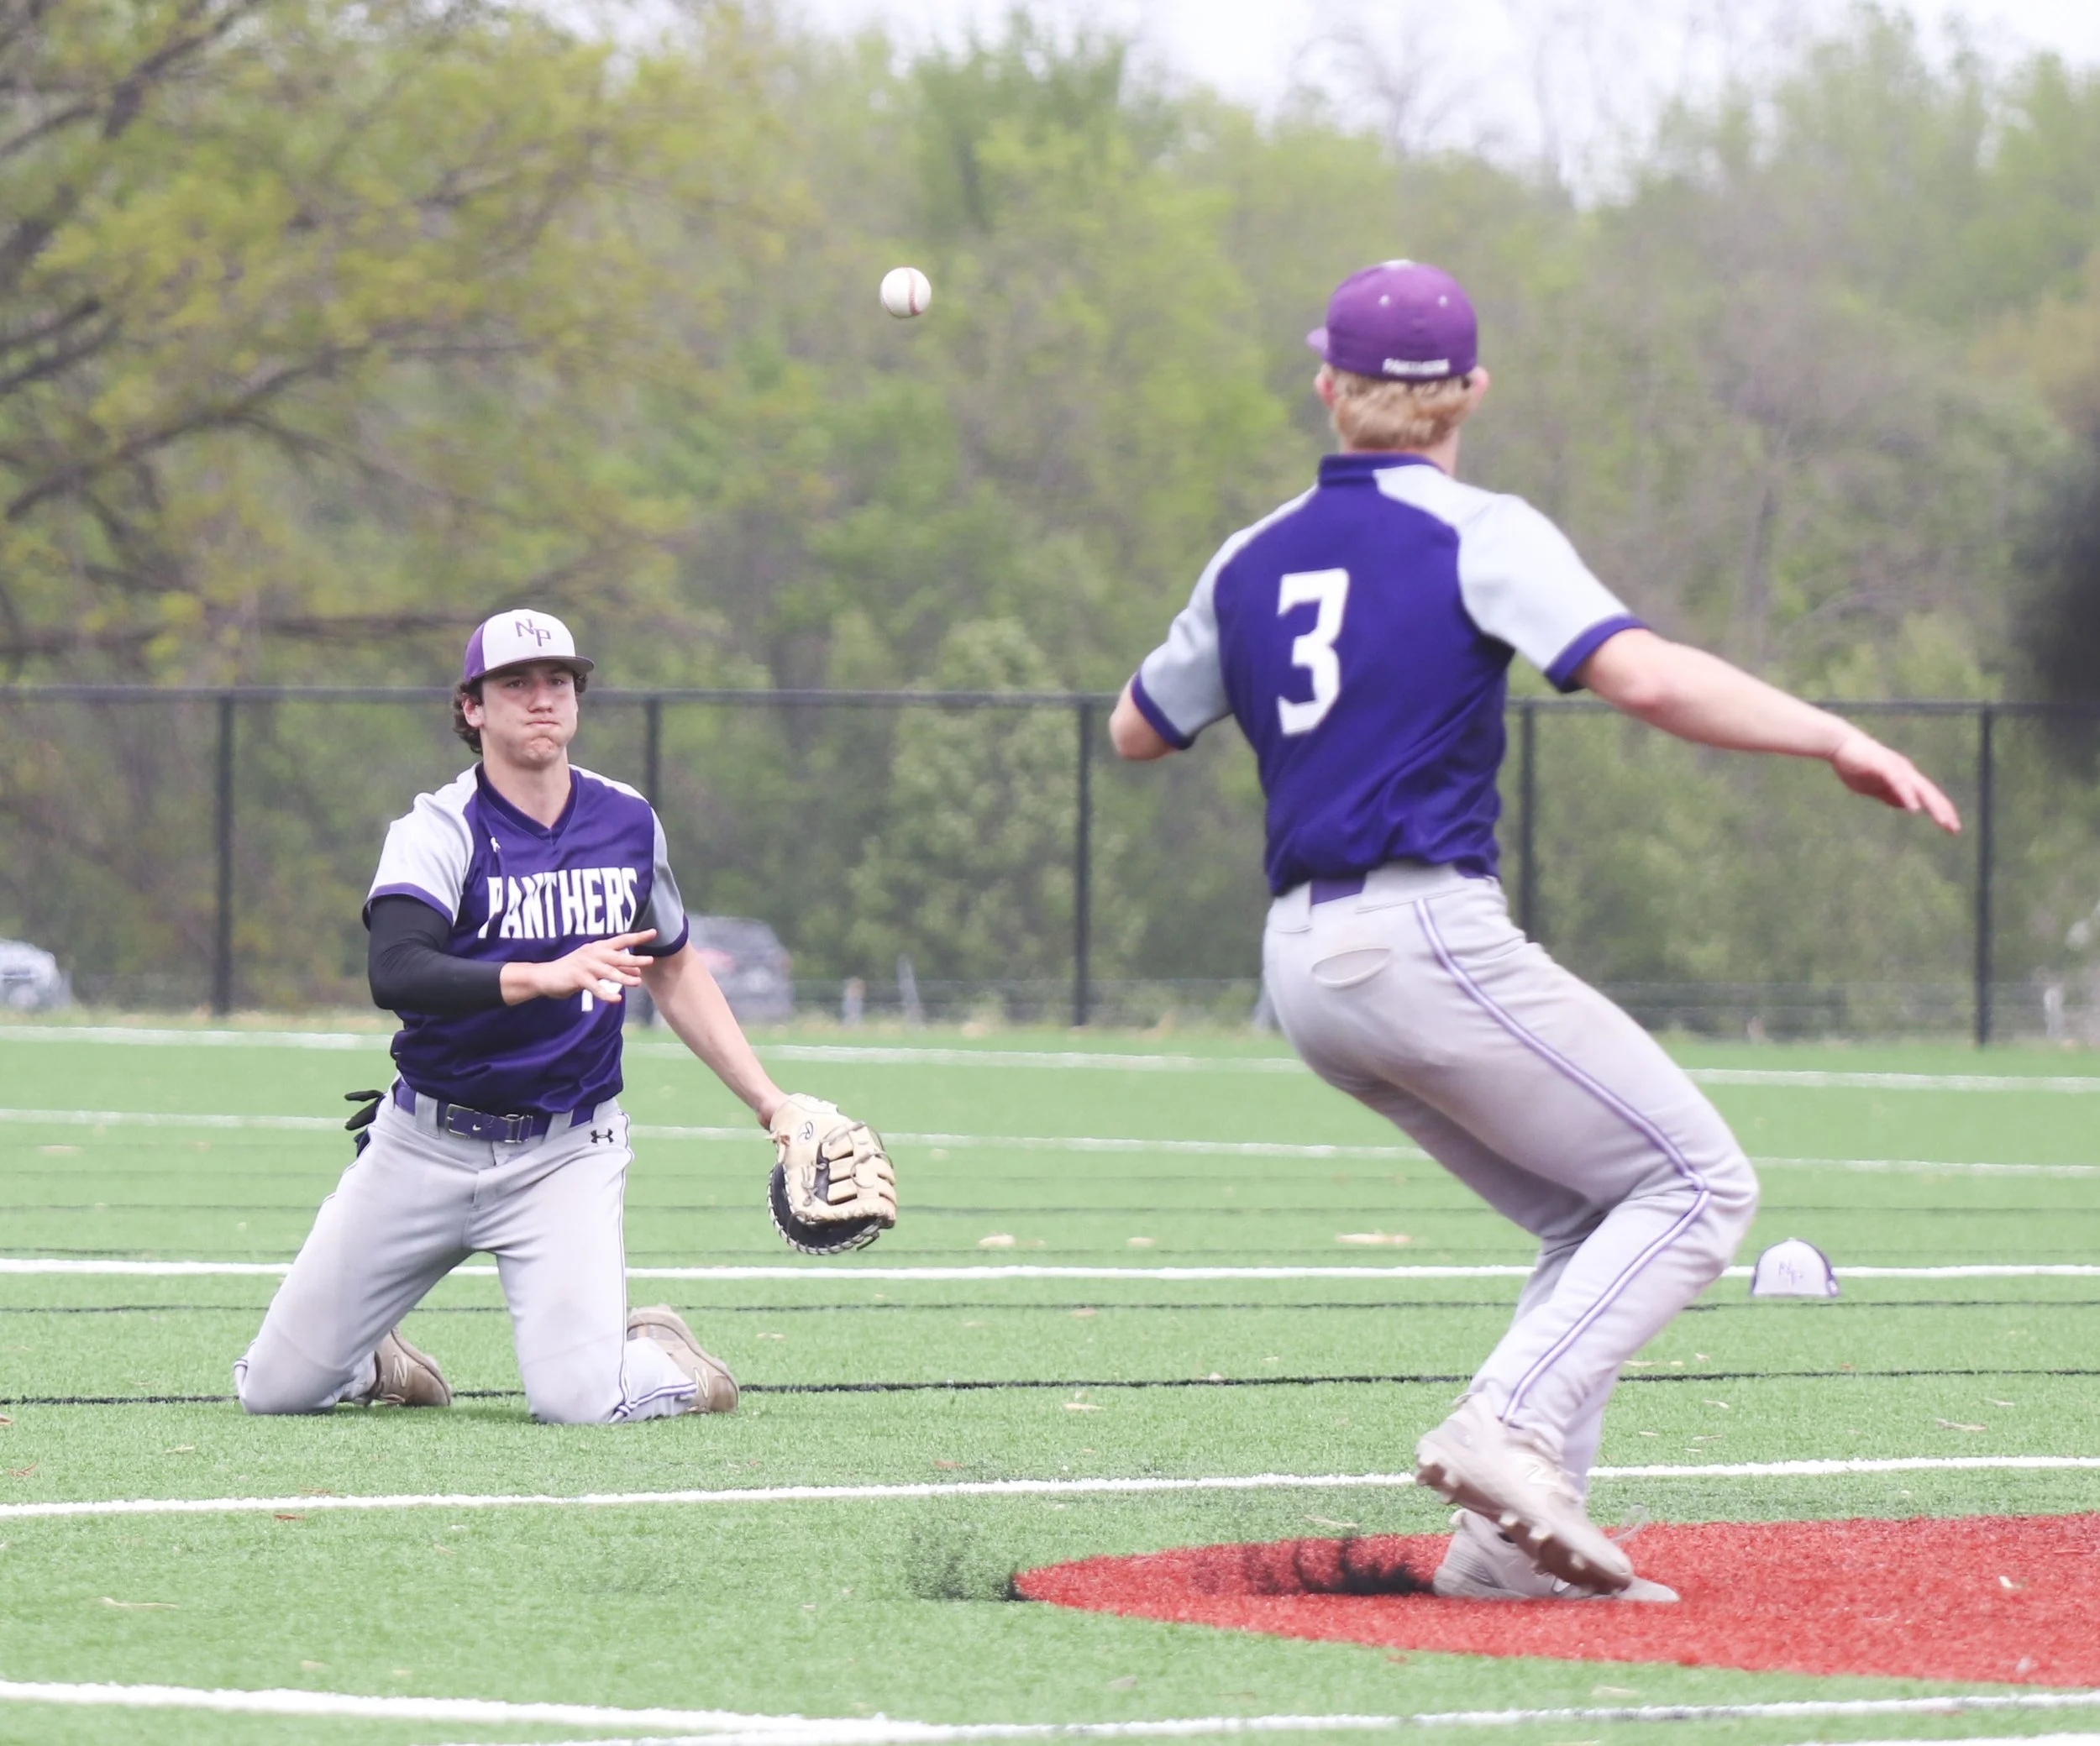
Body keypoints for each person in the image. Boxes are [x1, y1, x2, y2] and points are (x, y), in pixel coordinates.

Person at [1110, 260, 1960, 1598]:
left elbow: (1138, 728)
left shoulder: (1250, 556)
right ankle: (1505, 1423)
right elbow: (1644, 676)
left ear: (1328, 386)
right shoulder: (1479, 529)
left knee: (1594, 1211)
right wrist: (1832, 732)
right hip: (1422, 931)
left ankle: (1505, 1552)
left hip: (1303, 969)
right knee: (1699, 1181)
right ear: (1472, 395)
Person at [236, 608, 808, 1424]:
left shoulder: (626, 821)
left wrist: (771, 1102)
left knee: (580, 1404)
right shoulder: (438, 827)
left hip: (564, 1153)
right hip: (421, 1146)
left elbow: (675, 967)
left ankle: (662, 1357)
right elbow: (396, 970)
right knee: (272, 1392)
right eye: (515, 682)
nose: (541, 697)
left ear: (576, 700)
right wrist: (537, 977)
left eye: (557, 681)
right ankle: (375, 1360)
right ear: (472, 707)